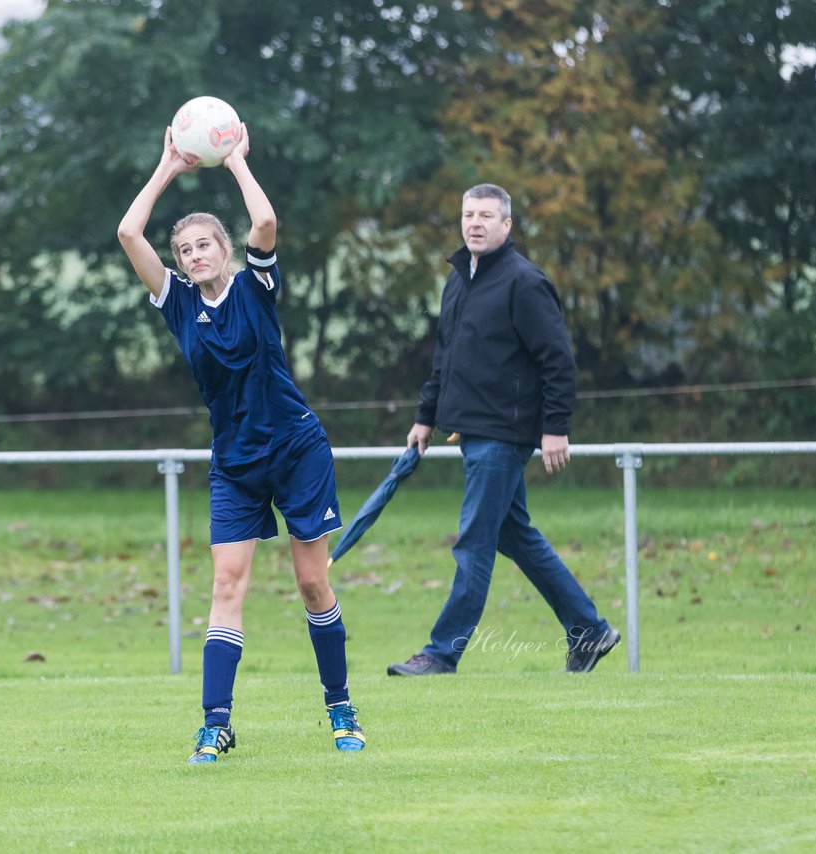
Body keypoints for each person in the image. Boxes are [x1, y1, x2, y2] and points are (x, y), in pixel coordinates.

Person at [117, 123, 364, 763]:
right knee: (227, 585)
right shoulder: (176, 305)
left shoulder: (256, 287)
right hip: (234, 463)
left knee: (312, 585)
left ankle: (341, 708)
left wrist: (234, 161)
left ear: (225, 251)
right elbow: (127, 234)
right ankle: (215, 723)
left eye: (206, 245)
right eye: (187, 249)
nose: (196, 254)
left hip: (296, 450)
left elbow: (266, 220)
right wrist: (169, 165)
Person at [387, 183, 620, 677]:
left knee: (473, 542)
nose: (475, 223)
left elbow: (558, 361)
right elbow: (446, 357)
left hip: (505, 437)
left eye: (486, 216)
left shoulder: (524, 282)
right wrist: (426, 416)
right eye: (469, 214)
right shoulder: (459, 279)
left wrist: (555, 428)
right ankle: (589, 629)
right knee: (515, 537)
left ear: (507, 225)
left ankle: (440, 653)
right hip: (472, 432)